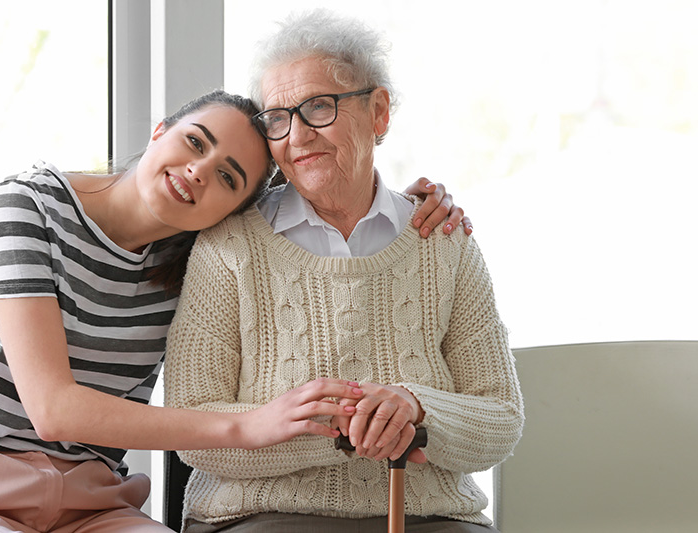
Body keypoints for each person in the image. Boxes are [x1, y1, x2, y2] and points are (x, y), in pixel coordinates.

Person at [0, 89, 466, 533]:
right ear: (160, 130)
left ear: (232, 211)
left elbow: (315, 215)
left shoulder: (193, 263)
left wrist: (406, 205)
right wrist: (249, 426)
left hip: (90, 505)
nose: (199, 171)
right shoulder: (22, 208)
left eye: (228, 178)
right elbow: (54, 410)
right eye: (195, 142)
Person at [163, 10, 523, 533]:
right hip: (258, 518)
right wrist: (341, 428)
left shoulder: (443, 242)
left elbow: (501, 419)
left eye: (318, 107)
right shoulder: (229, 246)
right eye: (278, 118)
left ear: (379, 112)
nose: (297, 136)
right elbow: (191, 426)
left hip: (431, 518)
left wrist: (418, 410)